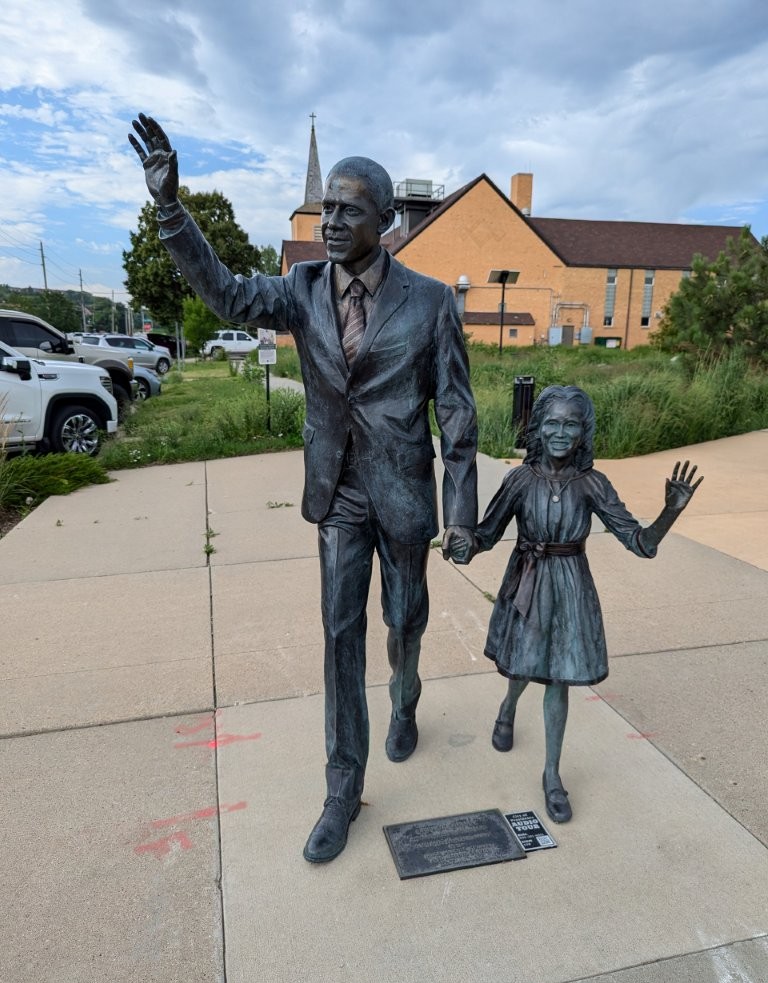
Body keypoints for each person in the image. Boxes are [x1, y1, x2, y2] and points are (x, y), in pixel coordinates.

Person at [129, 114, 478, 863]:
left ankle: (407, 694)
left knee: (404, 622)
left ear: (387, 220)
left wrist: (463, 513)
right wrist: (170, 209)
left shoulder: (430, 302)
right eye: (327, 210)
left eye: (349, 210)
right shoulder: (301, 288)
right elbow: (227, 295)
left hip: (404, 495)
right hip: (337, 496)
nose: (332, 223)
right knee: (340, 636)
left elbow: (457, 414)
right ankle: (342, 790)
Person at [449, 385, 701, 823]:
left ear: (584, 432)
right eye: (552, 423)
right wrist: (463, 542)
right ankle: (508, 709)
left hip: (570, 589)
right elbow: (485, 534)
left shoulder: (592, 484)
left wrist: (670, 512)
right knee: (523, 663)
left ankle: (551, 774)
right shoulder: (520, 480)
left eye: (571, 424)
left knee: (558, 677)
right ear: (537, 428)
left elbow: (639, 543)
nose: (560, 433)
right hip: (527, 582)